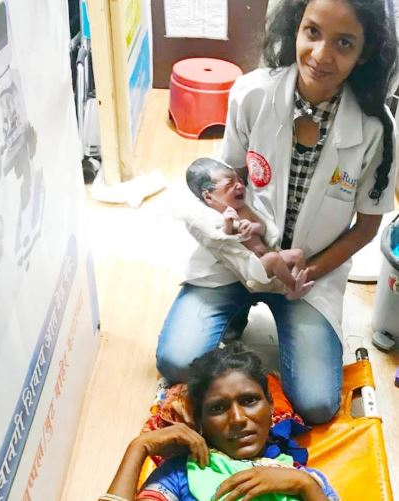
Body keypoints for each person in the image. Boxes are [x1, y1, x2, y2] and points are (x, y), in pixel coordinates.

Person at [156, 0, 398, 424]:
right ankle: (234, 311)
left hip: (309, 277)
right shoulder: (252, 93)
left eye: (344, 43)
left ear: (365, 53)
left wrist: (307, 271)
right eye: (312, 32)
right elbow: (226, 180)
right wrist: (253, 254)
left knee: (318, 404)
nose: (321, 55)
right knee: (176, 361)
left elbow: (368, 226)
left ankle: (261, 310)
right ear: (295, 29)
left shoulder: (377, 130)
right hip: (237, 259)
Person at [100, 344, 338, 501]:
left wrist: (303, 486)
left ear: (271, 406)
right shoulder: (181, 475)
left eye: (249, 400)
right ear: (199, 421)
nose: (238, 419)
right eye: (217, 408)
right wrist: (139, 447)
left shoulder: (304, 479)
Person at [186, 157, 315, 300]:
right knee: (273, 258)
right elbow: (224, 240)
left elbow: (262, 227)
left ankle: (295, 280)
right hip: (255, 269)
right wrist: (229, 225)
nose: (240, 186)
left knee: (298, 254)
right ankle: (293, 288)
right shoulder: (218, 218)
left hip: (268, 255)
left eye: (239, 181)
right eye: (230, 185)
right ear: (209, 197)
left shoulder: (244, 209)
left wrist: (254, 227)